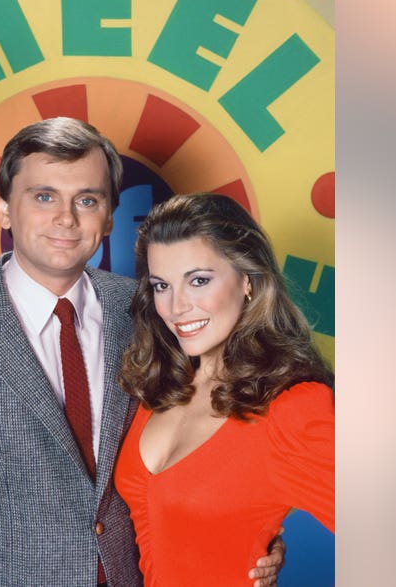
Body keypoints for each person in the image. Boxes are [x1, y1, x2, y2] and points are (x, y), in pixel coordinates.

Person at [0, 119, 284, 586]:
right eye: (44, 197)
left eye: (87, 200)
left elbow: (200, 439)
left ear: (109, 216)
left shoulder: (146, 308)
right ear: (3, 207)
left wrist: (247, 531)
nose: (66, 218)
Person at [115, 192, 336, 586]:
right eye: (161, 286)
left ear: (247, 280)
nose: (177, 306)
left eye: (198, 281)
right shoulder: (157, 386)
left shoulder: (292, 407)